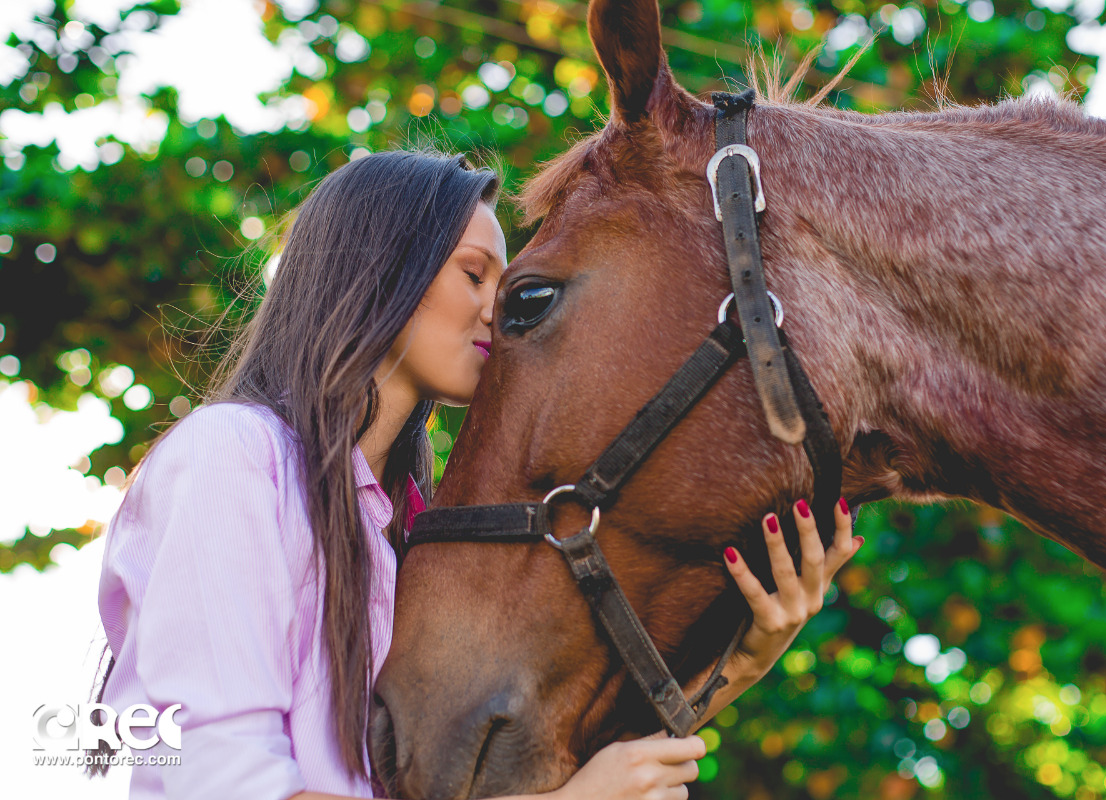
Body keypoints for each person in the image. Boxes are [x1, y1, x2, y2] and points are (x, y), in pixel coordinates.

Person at [91, 150, 862, 800]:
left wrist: (745, 659)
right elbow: (221, 782)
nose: (499, 308)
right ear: (380, 270)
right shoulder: (236, 457)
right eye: (474, 273)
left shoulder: (409, 522)